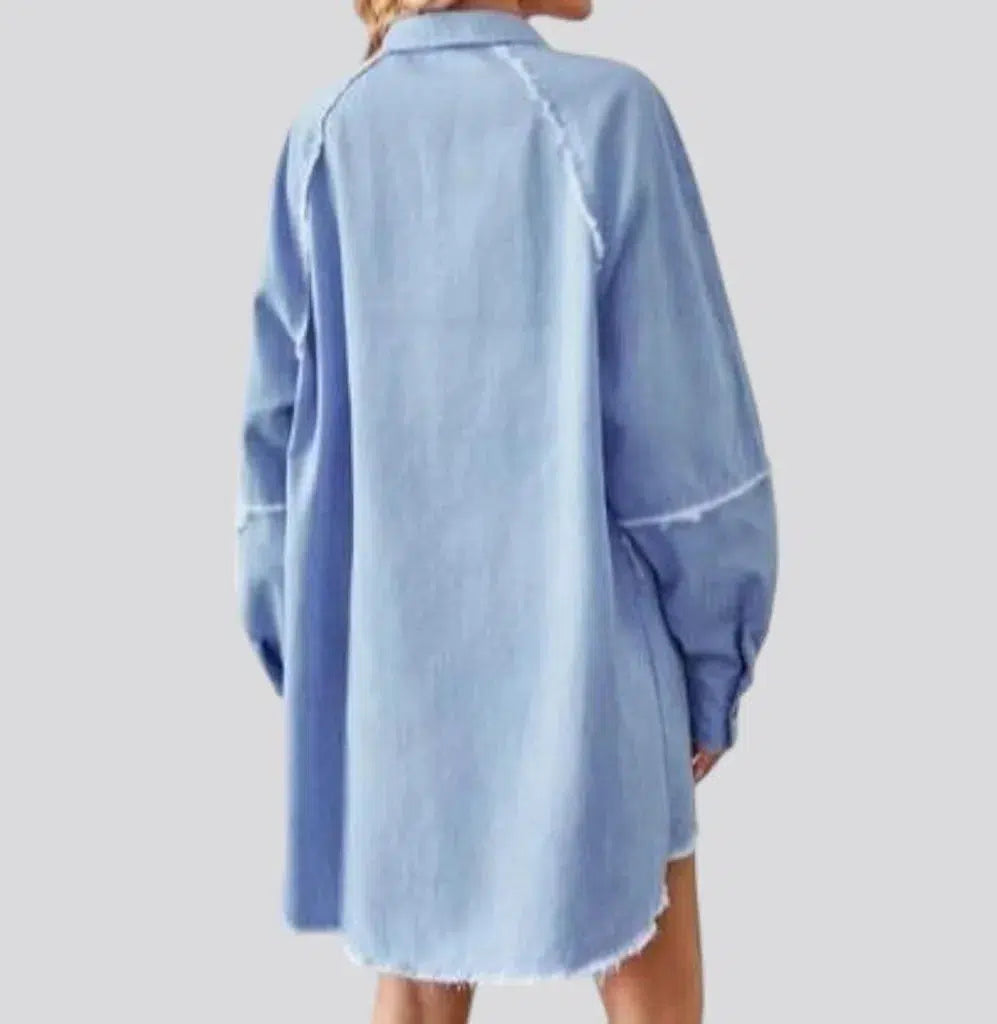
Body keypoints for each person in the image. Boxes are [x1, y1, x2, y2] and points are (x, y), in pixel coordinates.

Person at [235, 1, 778, 1020]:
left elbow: (274, 460)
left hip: (398, 682)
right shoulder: (606, 116)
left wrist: (313, 667)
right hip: (599, 669)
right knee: (648, 965)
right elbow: (690, 458)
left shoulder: (326, 137)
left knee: (417, 978)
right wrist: (717, 666)